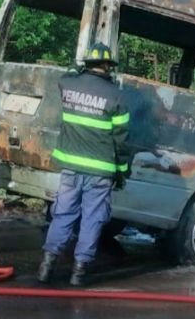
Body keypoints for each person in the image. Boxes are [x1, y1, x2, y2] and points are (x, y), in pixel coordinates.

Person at [37, 41, 130, 287]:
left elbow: (64, 76)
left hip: (70, 167)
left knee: (63, 214)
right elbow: (122, 140)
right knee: (92, 219)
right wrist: (121, 171)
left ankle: (46, 267)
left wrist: (79, 70)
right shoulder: (117, 96)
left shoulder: (68, 84)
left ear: (86, 64)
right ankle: (78, 273)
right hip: (100, 171)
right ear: (108, 66)